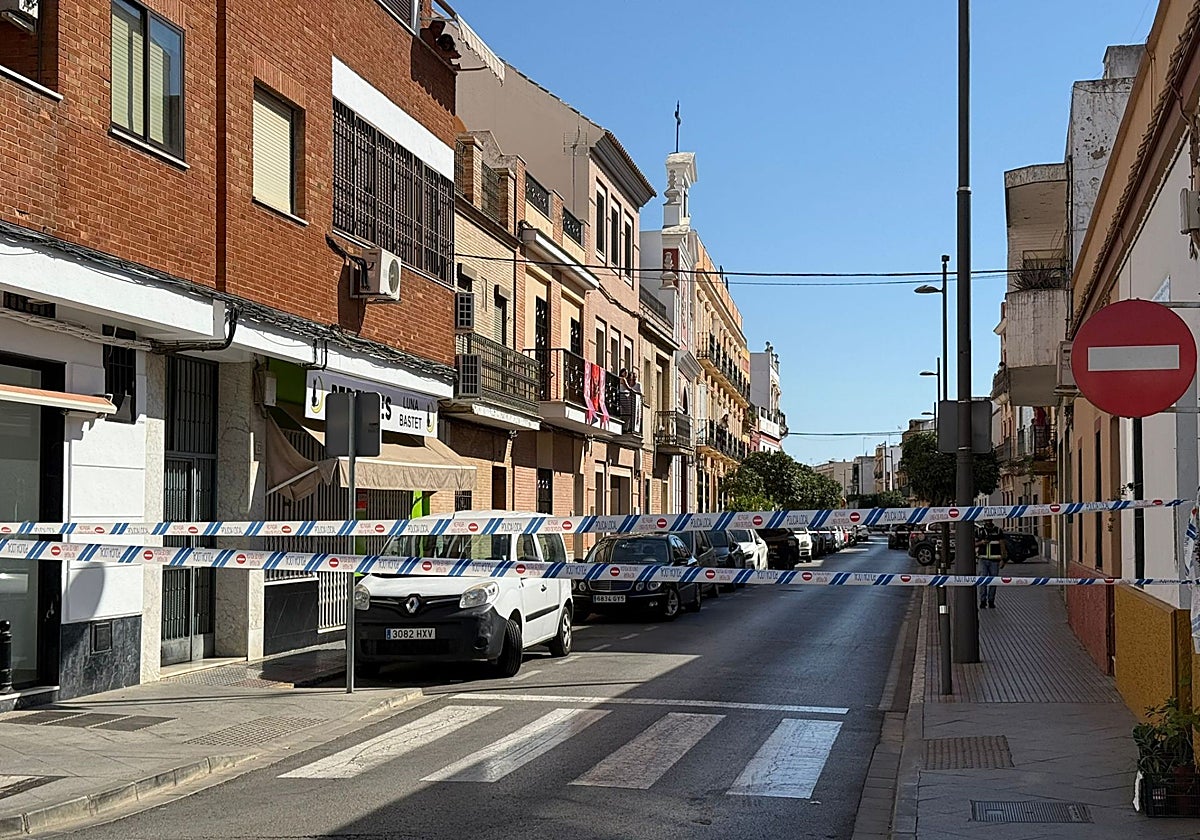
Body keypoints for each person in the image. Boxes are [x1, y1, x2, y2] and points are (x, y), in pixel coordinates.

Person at [975, 520, 1008, 609]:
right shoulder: (979, 531)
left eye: (989, 520)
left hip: (995, 560)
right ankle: (983, 601)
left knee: (993, 581)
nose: (988, 521)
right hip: (983, 559)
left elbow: (1002, 545)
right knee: (983, 581)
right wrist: (981, 542)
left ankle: (991, 601)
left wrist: (1003, 559)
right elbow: (973, 543)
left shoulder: (998, 530)